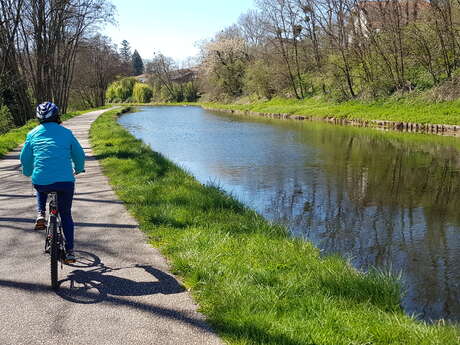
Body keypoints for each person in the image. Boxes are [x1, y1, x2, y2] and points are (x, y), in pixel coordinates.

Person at [20, 101, 85, 263]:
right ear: (58, 117)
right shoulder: (67, 133)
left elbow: (25, 159)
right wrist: (79, 168)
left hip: (42, 181)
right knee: (66, 215)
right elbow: (79, 154)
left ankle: (40, 213)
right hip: (65, 182)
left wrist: (28, 172)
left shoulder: (32, 134)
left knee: (39, 185)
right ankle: (70, 251)